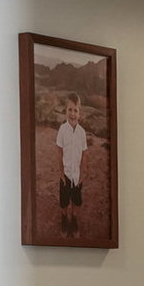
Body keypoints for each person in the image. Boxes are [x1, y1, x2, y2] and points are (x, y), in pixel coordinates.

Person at [53, 96, 90, 239]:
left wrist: (81, 175)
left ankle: (74, 220)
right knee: (64, 202)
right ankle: (64, 220)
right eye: (70, 110)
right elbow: (60, 153)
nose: (72, 114)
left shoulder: (82, 133)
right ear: (65, 111)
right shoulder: (62, 130)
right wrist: (62, 174)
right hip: (66, 175)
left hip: (77, 176)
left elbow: (84, 155)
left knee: (76, 201)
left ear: (80, 113)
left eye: (75, 110)